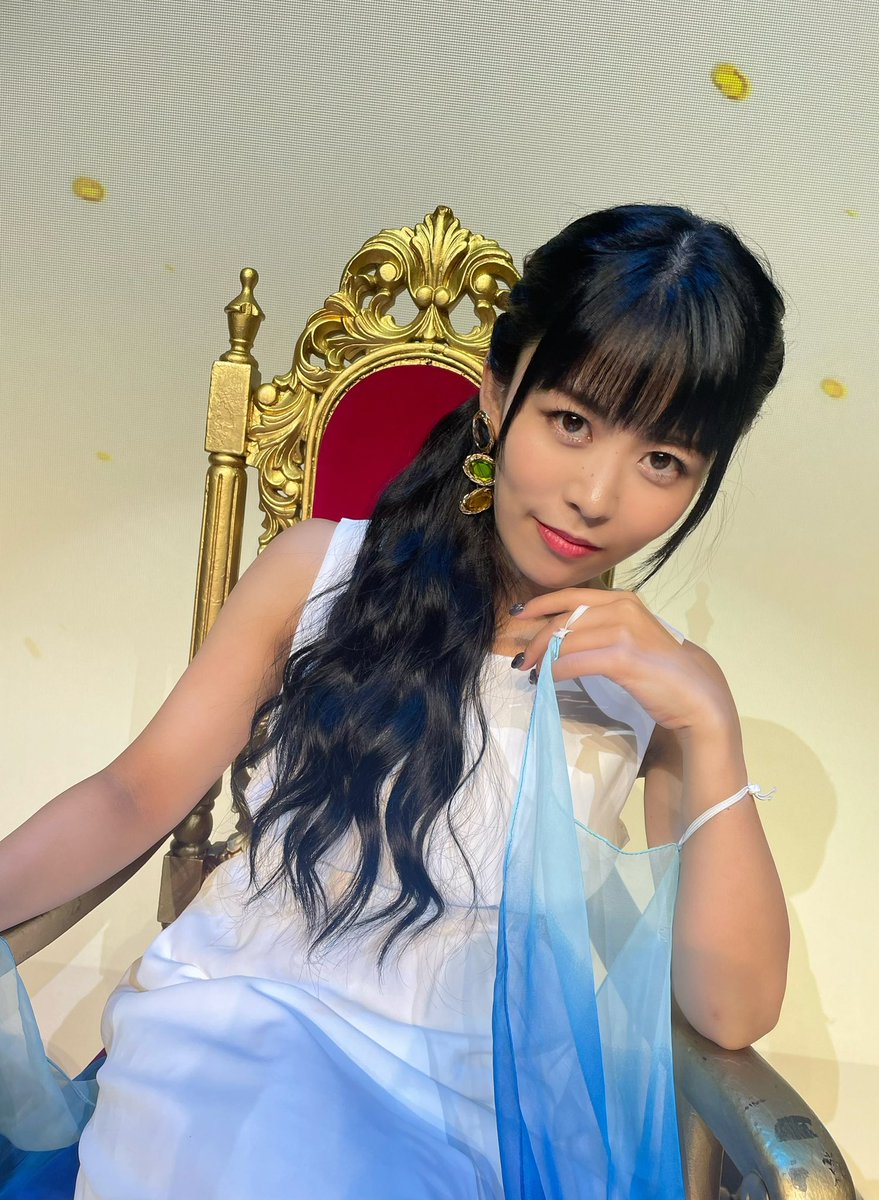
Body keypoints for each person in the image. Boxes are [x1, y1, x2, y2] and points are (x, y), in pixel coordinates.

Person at [0, 203, 790, 1199]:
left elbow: (730, 1012)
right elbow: (133, 794)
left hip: (481, 1103)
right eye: (570, 422)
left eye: (662, 461)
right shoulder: (317, 574)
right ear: (496, 394)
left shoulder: (656, 690)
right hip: (242, 1036)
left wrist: (709, 728)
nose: (596, 494)